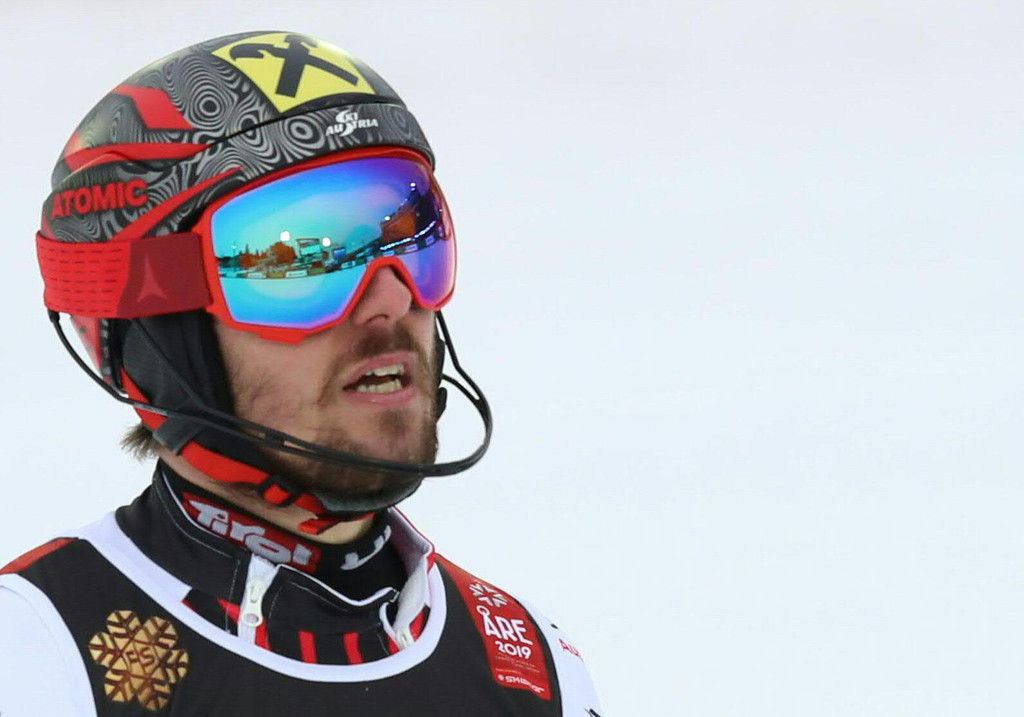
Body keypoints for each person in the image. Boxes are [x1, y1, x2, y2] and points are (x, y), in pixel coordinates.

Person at [0, 31, 602, 716]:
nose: (390, 298)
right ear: (160, 340)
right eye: (295, 261)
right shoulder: (34, 659)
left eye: (410, 233)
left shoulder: (531, 669)